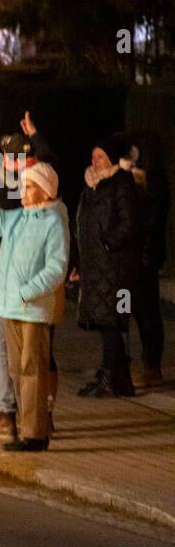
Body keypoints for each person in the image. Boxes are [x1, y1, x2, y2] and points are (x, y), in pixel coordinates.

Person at [0, 160, 69, 452]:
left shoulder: (54, 222)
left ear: (46, 191)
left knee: (33, 370)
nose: (22, 191)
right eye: (23, 185)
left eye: (30, 186)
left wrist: (26, 292)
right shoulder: (17, 218)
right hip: (8, 308)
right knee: (17, 370)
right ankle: (28, 427)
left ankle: (35, 434)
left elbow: (56, 267)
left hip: (31, 310)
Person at [75, 134, 143, 398]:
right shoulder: (92, 185)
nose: (96, 161)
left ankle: (109, 378)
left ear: (112, 159)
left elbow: (129, 223)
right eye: (93, 156)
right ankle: (120, 379)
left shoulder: (121, 184)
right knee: (108, 324)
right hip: (97, 268)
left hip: (118, 270)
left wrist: (108, 243)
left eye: (101, 156)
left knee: (115, 322)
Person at [126, 141, 168, 388]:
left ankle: (152, 364)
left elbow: (150, 221)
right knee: (135, 309)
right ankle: (144, 360)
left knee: (147, 310)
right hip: (139, 255)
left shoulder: (154, 182)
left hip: (146, 257)